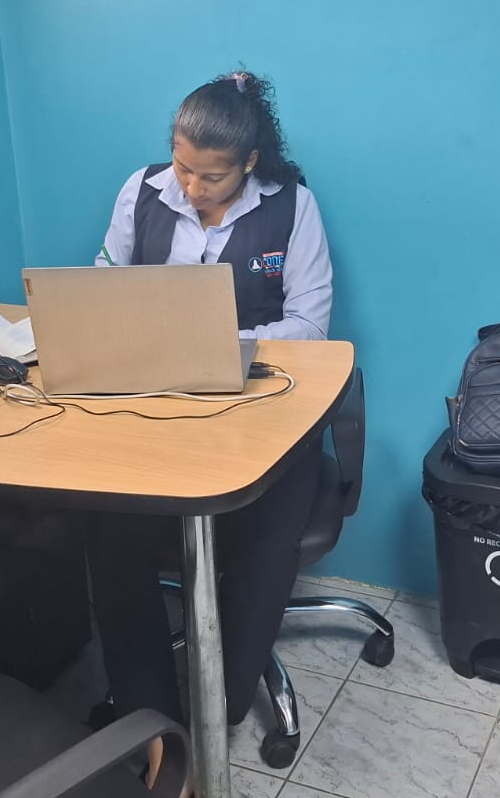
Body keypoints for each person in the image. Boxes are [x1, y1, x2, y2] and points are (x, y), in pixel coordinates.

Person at [87, 70, 333, 771]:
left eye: (212, 176)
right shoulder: (142, 191)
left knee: (266, 526)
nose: (192, 187)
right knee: (107, 520)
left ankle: (219, 704)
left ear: (249, 162)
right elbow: (103, 285)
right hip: (155, 410)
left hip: (263, 414)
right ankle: (151, 721)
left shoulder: (292, 206)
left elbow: (311, 325)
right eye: (182, 167)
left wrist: (224, 345)